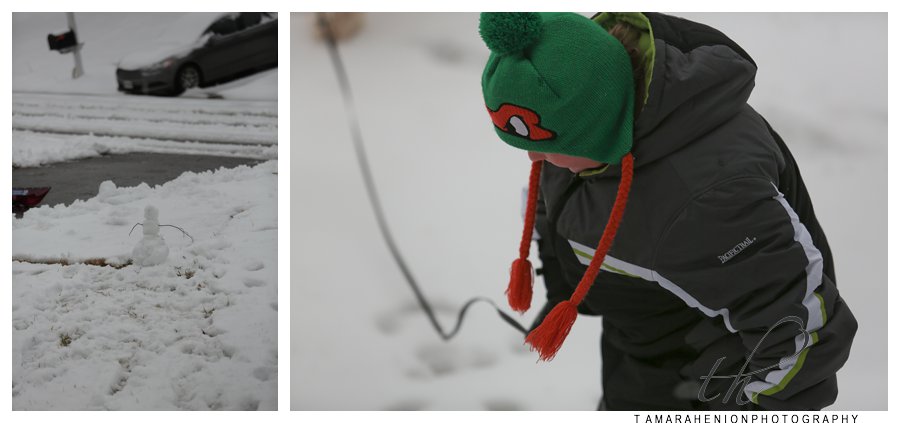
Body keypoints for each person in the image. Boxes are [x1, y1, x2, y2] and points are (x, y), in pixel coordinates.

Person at [478, 12, 857, 411]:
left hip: (705, 373)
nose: (535, 156)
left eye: (544, 144)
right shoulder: (590, 143)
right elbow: (561, 199)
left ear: (594, 129)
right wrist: (561, 282)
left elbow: (801, 339)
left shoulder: (705, 202)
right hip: (643, 343)